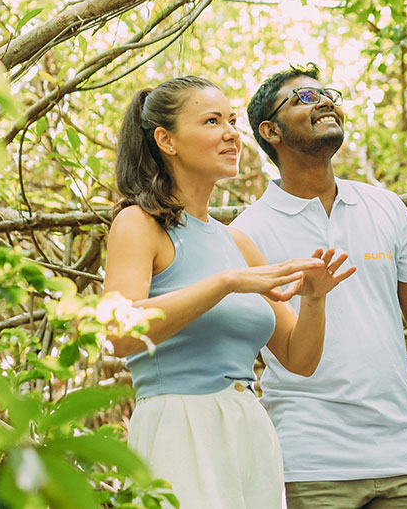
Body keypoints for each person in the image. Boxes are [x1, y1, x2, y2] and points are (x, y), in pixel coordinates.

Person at [103, 75, 356, 508]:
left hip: (248, 427)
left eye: (233, 121)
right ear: (167, 140)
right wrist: (225, 283)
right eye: (211, 121)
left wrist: (315, 299)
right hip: (179, 424)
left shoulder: (236, 242)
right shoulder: (138, 223)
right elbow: (118, 333)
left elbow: (300, 358)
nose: (231, 134)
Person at [231, 64, 407, 508]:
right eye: (303, 98)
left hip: (404, 455)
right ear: (270, 132)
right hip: (309, 461)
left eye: (328, 94)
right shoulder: (249, 231)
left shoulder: (384, 206)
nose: (325, 102)